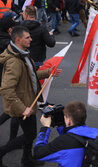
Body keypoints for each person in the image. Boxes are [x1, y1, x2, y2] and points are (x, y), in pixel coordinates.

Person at [0, 25, 62, 167]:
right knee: (30, 135)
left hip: (28, 101)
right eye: (27, 37)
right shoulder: (14, 62)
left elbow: (31, 75)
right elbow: (6, 89)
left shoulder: (23, 54)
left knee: (30, 134)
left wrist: (48, 72)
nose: (31, 39)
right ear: (18, 40)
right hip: (23, 104)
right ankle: (3, 152)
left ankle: (26, 159)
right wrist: (23, 108)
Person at [33, 101, 98, 166]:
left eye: (65, 118)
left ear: (68, 121)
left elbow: (38, 153)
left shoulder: (63, 143)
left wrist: (45, 128)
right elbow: (72, 135)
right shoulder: (97, 135)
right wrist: (60, 123)